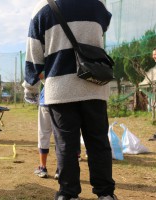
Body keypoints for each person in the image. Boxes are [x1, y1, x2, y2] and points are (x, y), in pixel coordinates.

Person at [23, 0, 116, 199]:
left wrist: (30, 88)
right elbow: (104, 26)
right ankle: (106, 194)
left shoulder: (42, 8)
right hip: (95, 85)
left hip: (60, 88)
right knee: (98, 143)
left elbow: (34, 53)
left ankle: (68, 193)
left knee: (66, 144)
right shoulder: (98, 6)